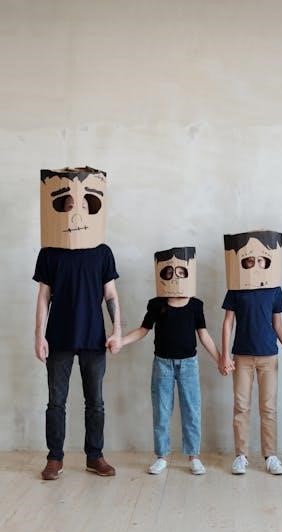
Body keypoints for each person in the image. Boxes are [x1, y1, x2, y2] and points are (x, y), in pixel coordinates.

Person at [34, 167, 121, 480]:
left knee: (95, 402)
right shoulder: (50, 252)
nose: (76, 211)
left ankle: (94, 456)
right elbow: (44, 296)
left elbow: (111, 294)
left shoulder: (102, 252)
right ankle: (54, 458)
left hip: (94, 338)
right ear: (60, 209)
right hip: (58, 337)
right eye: (69, 205)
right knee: (56, 402)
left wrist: (117, 331)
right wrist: (39, 336)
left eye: (84, 205)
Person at [112, 247, 220, 475]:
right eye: (169, 272)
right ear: (162, 274)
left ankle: (194, 457)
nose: (175, 277)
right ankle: (161, 456)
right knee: (161, 410)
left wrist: (220, 358)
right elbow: (143, 330)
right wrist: (121, 341)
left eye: (181, 272)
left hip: (188, 364)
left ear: (188, 274)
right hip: (162, 364)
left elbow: (203, 335)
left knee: (192, 410)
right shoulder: (156, 304)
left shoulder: (195, 305)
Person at [220, 230, 282, 475]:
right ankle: (241, 456)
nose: (255, 264)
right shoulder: (236, 288)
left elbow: (278, 325)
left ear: (268, 262)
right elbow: (228, 322)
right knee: (241, 407)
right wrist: (224, 355)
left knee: (268, 408)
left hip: (268, 356)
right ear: (242, 262)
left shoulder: (274, 290)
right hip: (241, 356)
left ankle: (270, 456)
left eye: (261, 260)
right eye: (250, 260)